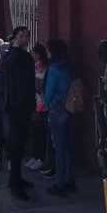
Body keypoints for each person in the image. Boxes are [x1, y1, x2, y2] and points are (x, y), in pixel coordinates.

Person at [2, 25, 36, 200]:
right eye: (21, 35)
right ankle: (15, 184)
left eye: (26, 36)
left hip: (12, 106)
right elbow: (25, 85)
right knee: (17, 146)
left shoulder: (8, 55)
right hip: (19, 108)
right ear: (14, 37)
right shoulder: (21, 57)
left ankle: (16, 179)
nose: (25, 39)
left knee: (17, 146)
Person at [43, 38, 75, 195]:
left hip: (56, 109)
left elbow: (48, 93)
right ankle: (69, 179)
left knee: (59, 148)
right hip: (69, 107)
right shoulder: (69, 66)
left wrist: (47, 104)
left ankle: (60, 182)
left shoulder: (54, 69)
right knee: (68, 146)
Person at [27, 43, 53, 173]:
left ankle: (41, 158)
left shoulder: (45, 67)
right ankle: (35, 156)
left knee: (42, 134)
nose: (32, 54)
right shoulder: (36, 66)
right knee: (36, 132)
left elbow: (40, 84)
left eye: (33, 52)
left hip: (43, 104)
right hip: (36, 102)